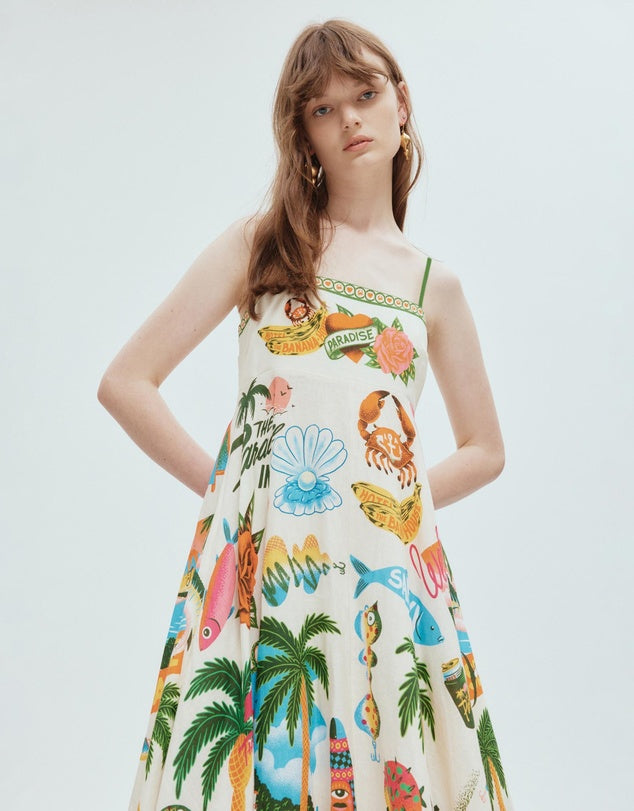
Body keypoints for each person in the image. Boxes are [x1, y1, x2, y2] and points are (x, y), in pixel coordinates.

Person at [98, 18, 514, 811]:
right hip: (266, 569)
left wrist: (386, 501)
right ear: (304, 133)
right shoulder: (262, 245)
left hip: (385, 578)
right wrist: (232, 492)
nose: (350, 118)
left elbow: (485, 447)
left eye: (365, 94)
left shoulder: (435, 288)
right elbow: (127, 381)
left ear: (401, 103)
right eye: (324, 108)